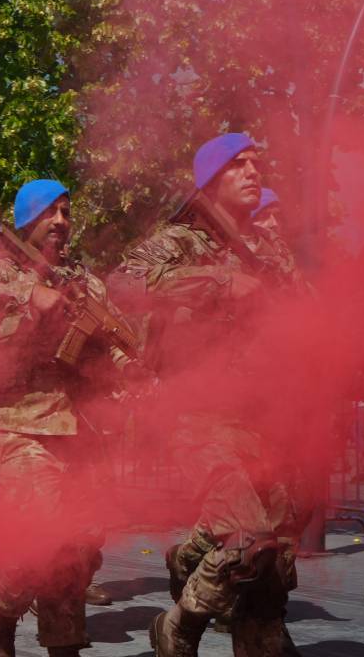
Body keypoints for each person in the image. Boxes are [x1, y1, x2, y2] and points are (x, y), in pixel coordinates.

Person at [113, 133, 307, 657]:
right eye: (237, 165)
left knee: (270, 565)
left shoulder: (271, 249)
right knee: (250, 535)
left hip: (264, 417)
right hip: (199, 416)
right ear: (210, 181)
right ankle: (180, 623)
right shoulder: (178, 241)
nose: (252, 171)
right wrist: (219, 282)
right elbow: (123, 283)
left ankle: (256, 635)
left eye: (255, 163)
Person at [0, 179, 137, 657]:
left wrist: (134, 367)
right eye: (50, 211)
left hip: (77, 430)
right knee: (46, 532)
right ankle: (0, 609)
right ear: (26, 220)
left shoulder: (84, 282)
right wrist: (31, 294)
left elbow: (112, 343)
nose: (61, 221)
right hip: (16, 426)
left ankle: (63, 645)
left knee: (79, 544)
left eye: (66, 211)